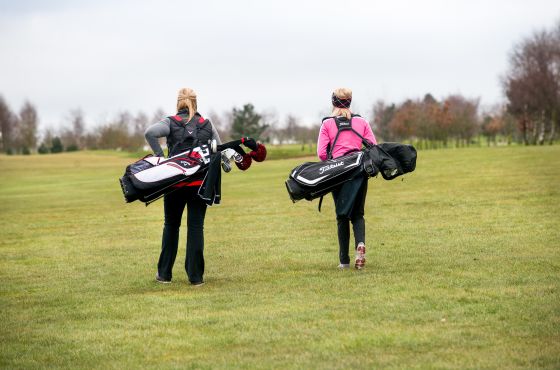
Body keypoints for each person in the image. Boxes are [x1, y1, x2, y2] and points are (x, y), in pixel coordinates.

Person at [144, 87, 222, 286]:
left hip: (175, 184)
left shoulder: (171, 122)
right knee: (196, 227)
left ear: (178, 102)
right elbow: (219, 150)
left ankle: (164, 274)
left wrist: (161, 159)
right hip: (199, 185)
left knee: (171, 226)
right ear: (195, 102)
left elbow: (150, 133)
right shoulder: (206, 124)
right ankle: (195, 277)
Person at [316, 88, 377, 270]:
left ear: (334, 102)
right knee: (358, 214)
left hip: (338, 173)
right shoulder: (361, 122)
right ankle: (360, 244)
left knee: (342, 215)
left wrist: (332, 163)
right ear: (350, 102)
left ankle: (344, 261)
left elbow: (321, 154)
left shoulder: (327, 124)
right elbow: (373, 147)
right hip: (359, 171)